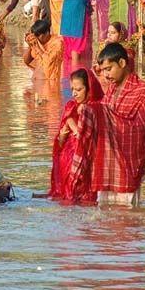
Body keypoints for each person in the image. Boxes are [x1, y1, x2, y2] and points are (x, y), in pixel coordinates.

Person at [91, 42, 145, 206]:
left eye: (108, 68)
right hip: (107, 165)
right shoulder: (112, 89)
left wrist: (104, 115)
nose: (106, 75)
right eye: (104, 70)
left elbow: (140, 131)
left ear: (122, 63)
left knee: (127, 220)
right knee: (105, 220)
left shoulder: (143, 91)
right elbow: (102, 117)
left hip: (128, 165)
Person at [47, 68, 104, 204]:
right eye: (72, 89)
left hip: (86, 170)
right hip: (67, 167)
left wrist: (80, 119)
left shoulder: (98, 109)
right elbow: (60, 144)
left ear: (89, 89)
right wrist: (64, 133)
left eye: (78, 90)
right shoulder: (70, 107)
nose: (74, 94)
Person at [23, 18, 64, 90]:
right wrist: (30, 46)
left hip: (49, 86)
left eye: (39, 36)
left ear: (47, 33)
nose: (37, 39)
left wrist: (38, 47)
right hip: (35, 85)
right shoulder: (38, 44)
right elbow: (26, 61)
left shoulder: (57, 43)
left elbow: (49, 62)